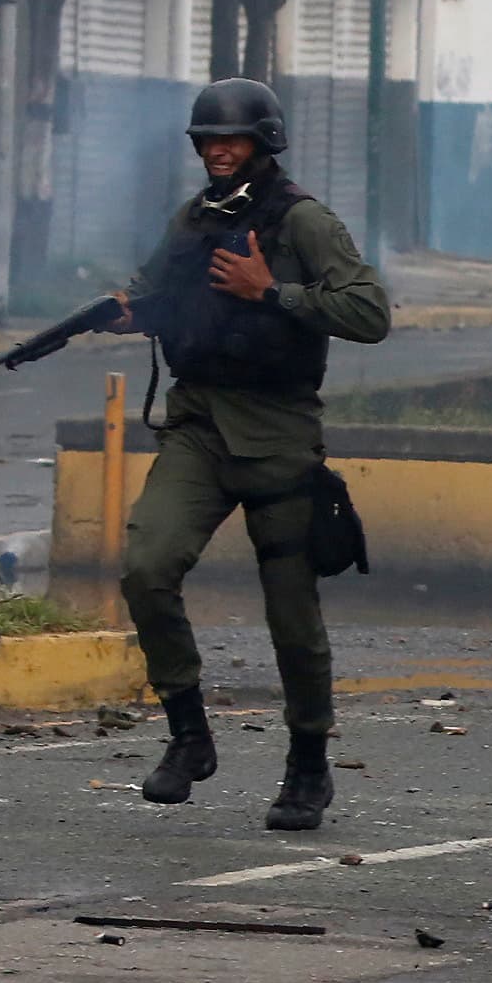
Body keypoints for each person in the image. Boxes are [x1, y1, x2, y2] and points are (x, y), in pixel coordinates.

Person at [121, 78, 390, 829]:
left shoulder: (304, 221)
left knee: (292, 618)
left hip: (276, 435)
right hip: (201, 425)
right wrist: (127, 311)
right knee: (147, 566)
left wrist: (274, 293)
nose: (217, 151)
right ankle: (188, 734)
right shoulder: (193, 219)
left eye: (231, 140)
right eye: (207, 140)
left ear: (263, 143)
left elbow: (371, 313)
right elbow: (154, 287)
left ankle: (308, 765)